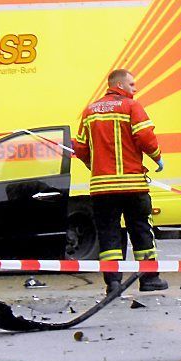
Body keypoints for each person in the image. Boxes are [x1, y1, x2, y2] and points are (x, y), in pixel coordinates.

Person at [73, 68, 168, 294]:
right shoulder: (132, 107)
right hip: (132, 184)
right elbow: (145, 136)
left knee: (108, 235)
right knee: (141, 230)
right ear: (121, 86)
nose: (135, 89)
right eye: (132, 85)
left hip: (101, 188)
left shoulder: (90, 111)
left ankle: (113, 283)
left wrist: (93, 165)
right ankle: (148, 279)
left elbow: (80, 147)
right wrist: (157, 157)